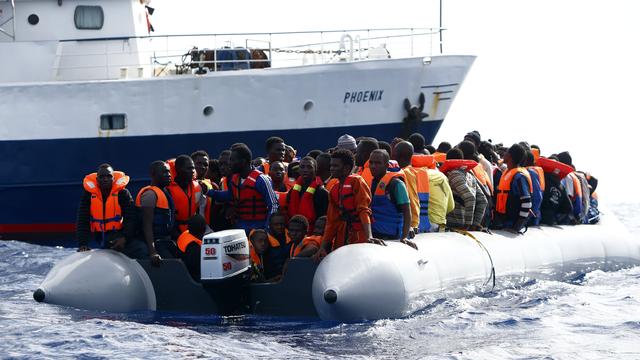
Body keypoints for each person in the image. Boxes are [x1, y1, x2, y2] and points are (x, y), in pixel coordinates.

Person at [207, 143, 279, 233]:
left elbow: (274, 205)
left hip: (259, 228)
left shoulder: (261, 180)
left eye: (232, 160)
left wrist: (267, 228)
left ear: (243, 161)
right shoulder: (235, 178)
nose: (229, 163)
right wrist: (209, 192)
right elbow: (230, 195)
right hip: (241, 228)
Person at [317, 149, 374, 257]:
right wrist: (323, 247)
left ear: (347, 168)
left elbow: (364, 210)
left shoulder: (357, 182)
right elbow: (331, 222)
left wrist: (369, 237)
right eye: (331, 165)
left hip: (359, 234)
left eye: (335, 166)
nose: (331, 168)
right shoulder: (334, 189)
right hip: (342, 235)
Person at [76, 164, 140, 256]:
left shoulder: (123, 193)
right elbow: (83, 220)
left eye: (109, 176)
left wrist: (125, 237)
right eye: (102, 177)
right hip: (101, 236)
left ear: (113, 179)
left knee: (141, 247)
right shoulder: (88, 195)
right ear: (97, 180)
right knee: (140, 249)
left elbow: (131, 217)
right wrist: (83, 244)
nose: (105, 179)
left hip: (119, 234)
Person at [367, 149, 415, 245]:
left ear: (386, 165)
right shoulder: (371, 183)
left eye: (377, 163)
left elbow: (407, 211)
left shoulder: (396, 184)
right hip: (375, 236)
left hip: (392, 238)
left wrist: (404, 237)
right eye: (371, 162)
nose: (373, 166)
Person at [135, 160, 175, 264]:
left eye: (169, 172)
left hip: (165, 240)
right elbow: (146, 226)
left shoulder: (165, 192)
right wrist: (153, 252)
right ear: (153, 175)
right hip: (156, 242)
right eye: (165, 172)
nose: (169, 175)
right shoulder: (150, 195)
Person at [442, 149, 487, 230]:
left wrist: (467, 225)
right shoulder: (470, 175)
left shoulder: (454, 174)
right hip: (463, 225)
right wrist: (475, 223)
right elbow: (483, 200)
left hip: (454, 224)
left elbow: (470, 198)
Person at [493, 144, 533, 233]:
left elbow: (527, 203)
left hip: (511, 225)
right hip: (502, 224)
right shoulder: (507, 172)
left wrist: (516, 227)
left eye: (506, 152)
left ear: (510, 156)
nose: (504, 154)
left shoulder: (519, 177)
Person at [167, 155, 207, 236]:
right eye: (188, 168)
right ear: (178, 170)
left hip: (192, 230)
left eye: (193, 168)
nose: (193, 171)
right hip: (173, 230)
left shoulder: (197, 187)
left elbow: (200, 212)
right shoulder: (167, 189)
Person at [394, 141, 429, 233]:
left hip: (411, 226)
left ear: (397, 155)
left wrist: (412, 225)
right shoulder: (412, 171)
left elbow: (412, 199)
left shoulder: (405, 173)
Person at [287, 156, 329, 230]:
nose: (305, 170)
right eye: (302, 167)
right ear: (299, 170)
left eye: (309, 167)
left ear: (315, 170)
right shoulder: (292, 191)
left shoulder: (323, 193)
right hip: (294, 232)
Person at [539, 156, 575, 226]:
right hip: (551, 221)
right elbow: (568, 208)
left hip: (538, 219)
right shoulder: (561, 187)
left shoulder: (541, 179)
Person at [176, 214, 206, 281]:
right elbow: (198, 268)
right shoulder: (194, 247)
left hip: (183, 272)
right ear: (204, 230)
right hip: (192, 278)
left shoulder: (185, 234)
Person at [426, 165, 455, 232]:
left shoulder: (413, 174)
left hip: (421, 223)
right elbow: (451, 206)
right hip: (439, 223)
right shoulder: (442, 177)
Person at [263, 212, 292, 280]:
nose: (279, 227)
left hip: (290, 276)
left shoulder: (292, 236)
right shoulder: (263, 238)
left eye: (281, 224)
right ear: (269, 225)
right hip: (270, 278)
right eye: (276, 225)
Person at [522, 150, 545, 226]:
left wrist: (528, 216)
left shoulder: (531, 173)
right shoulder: (527, 172)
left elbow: (538, 197)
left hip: (531, 219)